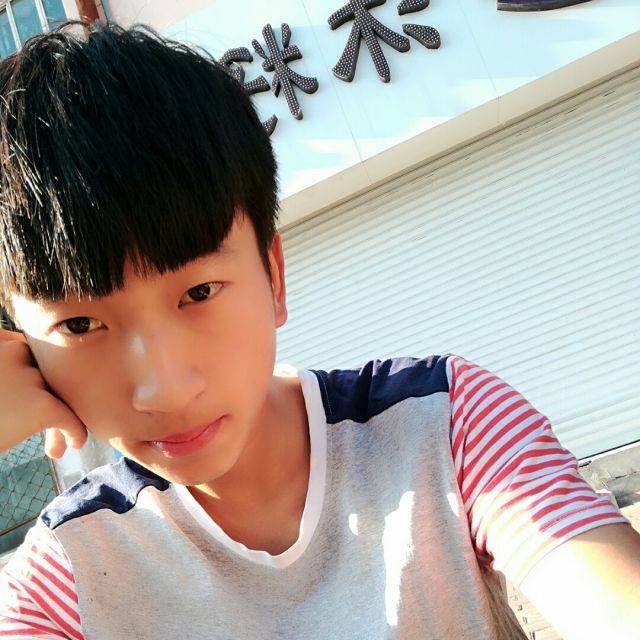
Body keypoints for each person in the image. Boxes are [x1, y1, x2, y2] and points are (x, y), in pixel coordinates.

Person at [0, 22, 638, 640]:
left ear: (273, 276)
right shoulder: (65, 577)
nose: (164, 388)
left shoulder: (445, 425)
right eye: (80, 324)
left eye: (199, 292)